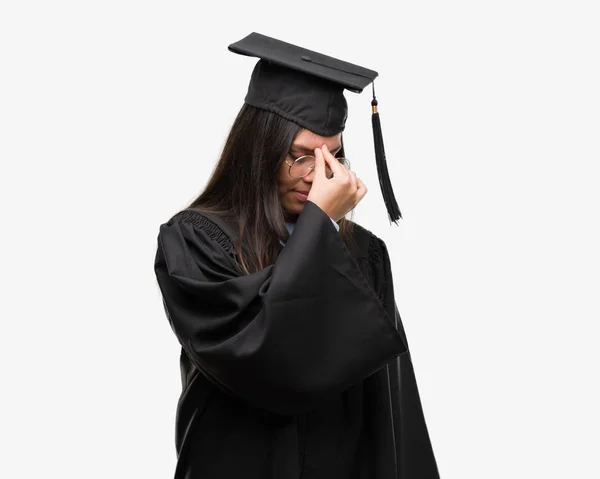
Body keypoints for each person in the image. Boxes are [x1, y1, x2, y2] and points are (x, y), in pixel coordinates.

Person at [154, 32, 440, 479]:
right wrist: (320, 225)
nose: (317, 175)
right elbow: (263, 360)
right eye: (300, 155)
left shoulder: (365, 253)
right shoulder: (195, 240)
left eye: (332, 155)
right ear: (259, 149)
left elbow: (390, 404)